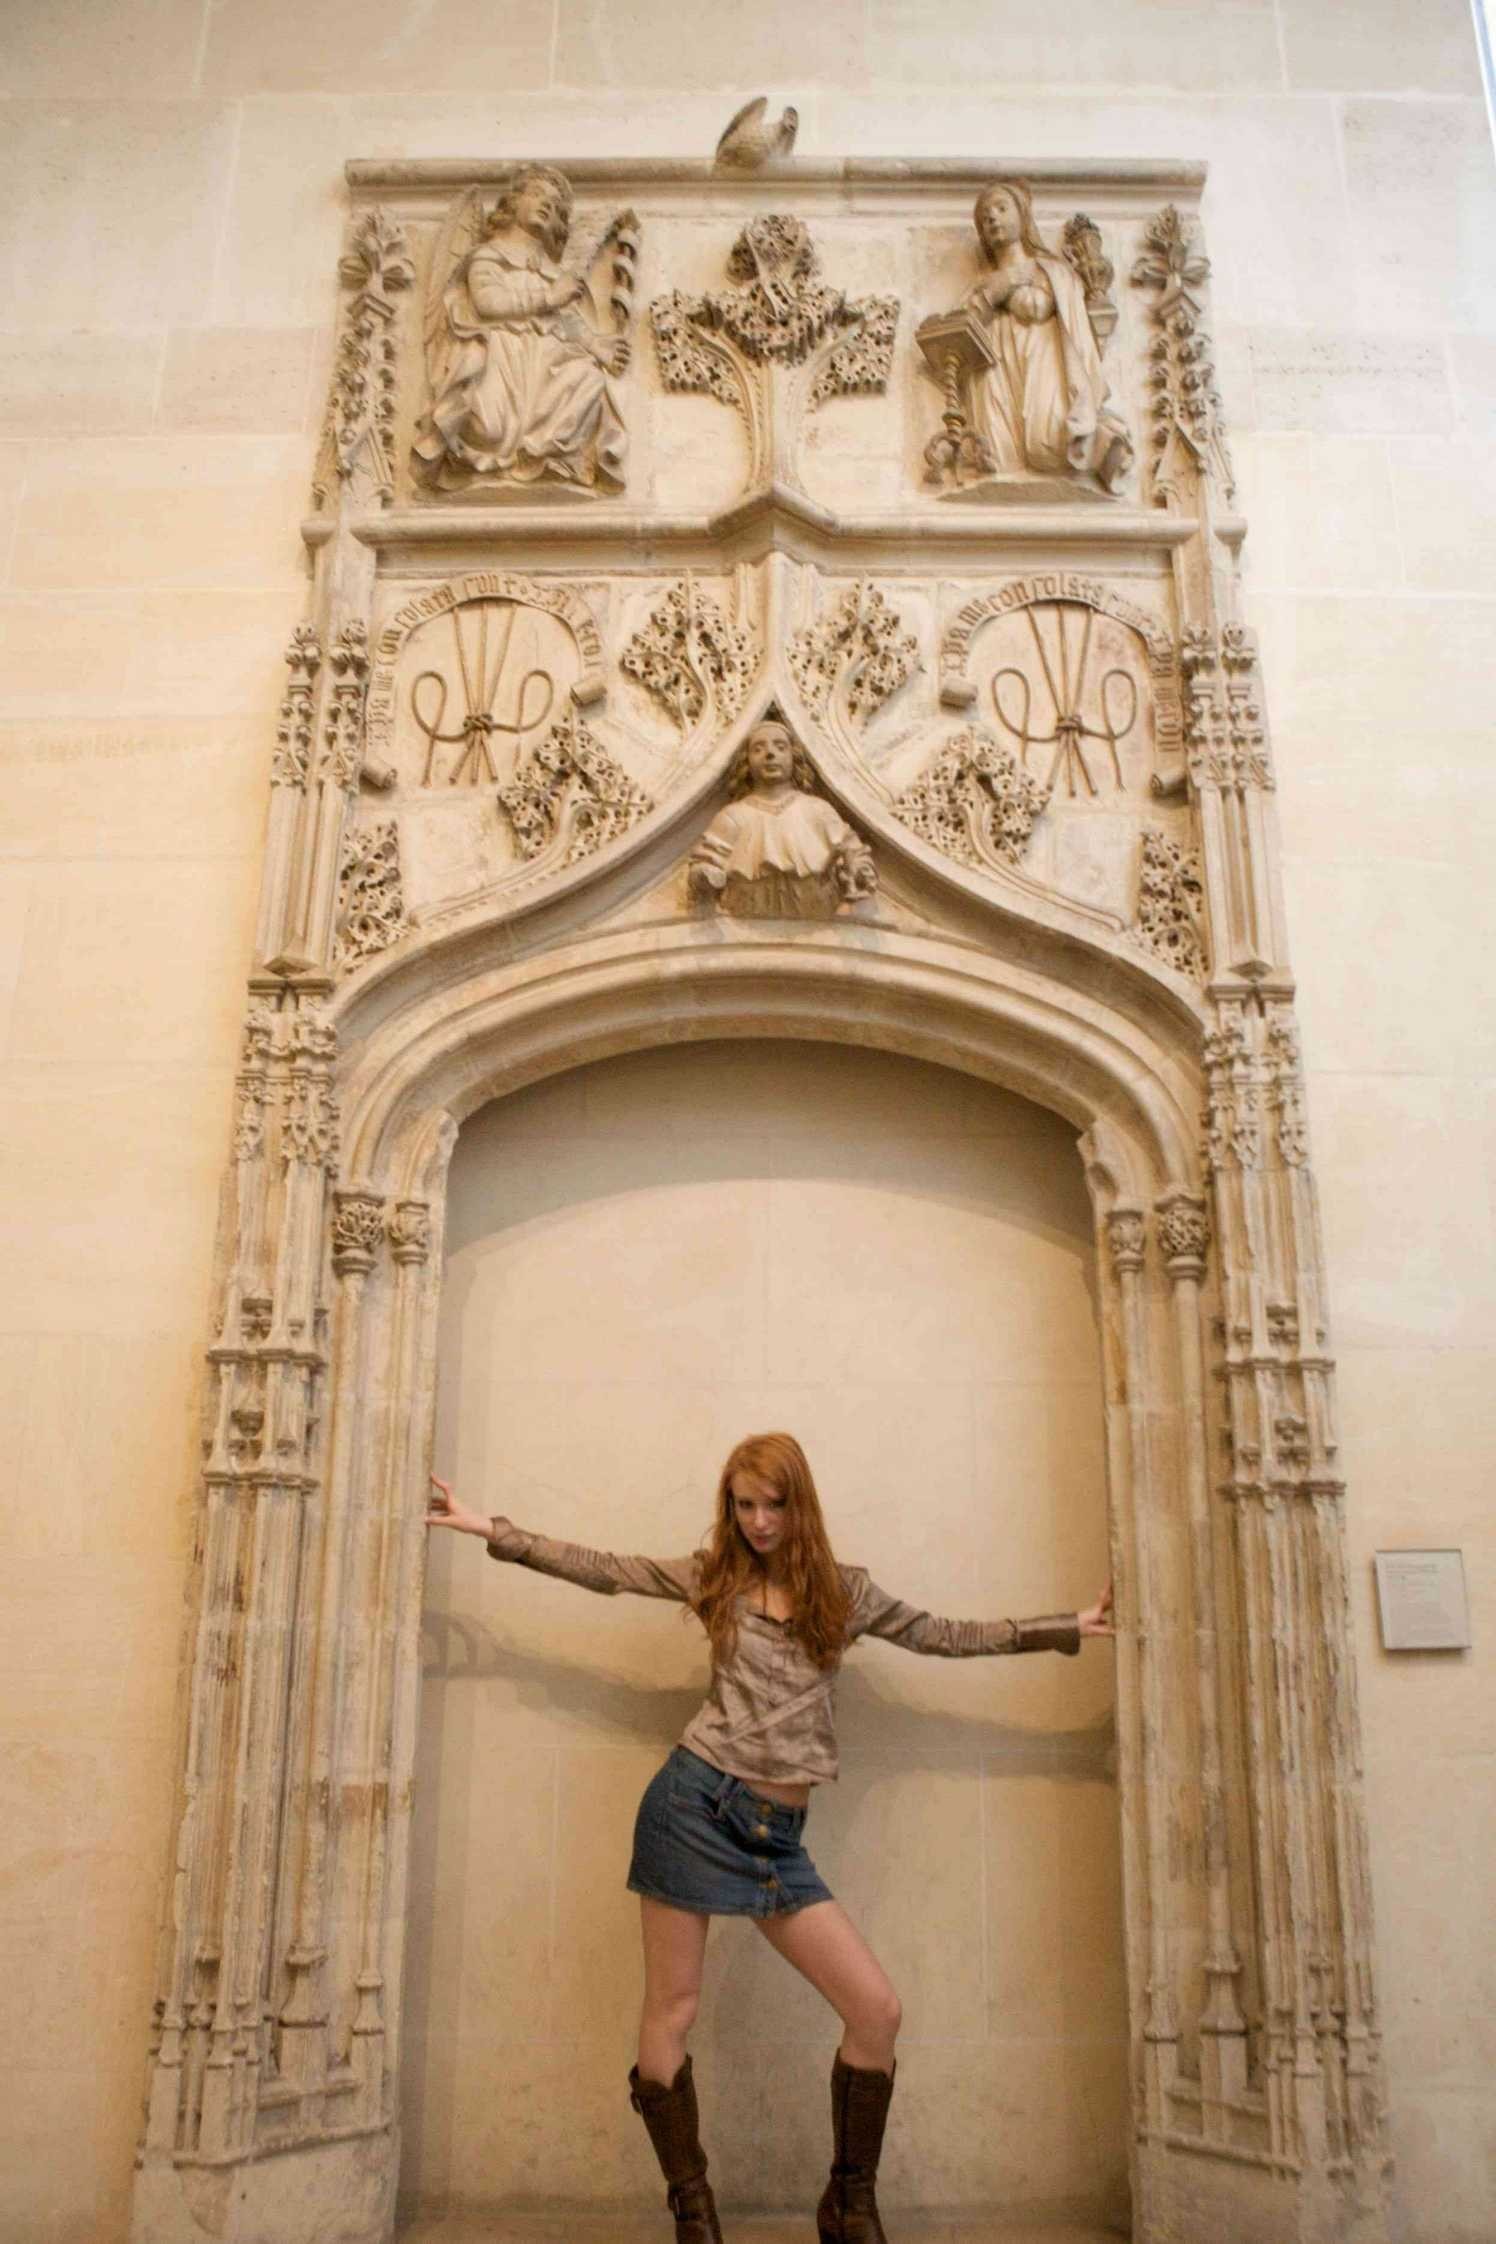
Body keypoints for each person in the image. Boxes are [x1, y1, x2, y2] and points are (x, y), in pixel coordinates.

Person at [427, 1432, 1113, 2242]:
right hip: (693, 1809)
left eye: (773, 1505)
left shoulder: (845, 1594)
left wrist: (1066, 1624)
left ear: (800, 1504)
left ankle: (848, 2205)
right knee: (671, 2011)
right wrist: (486, 1528)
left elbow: (943, 1634)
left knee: (876, 2011)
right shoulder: (715, 1579)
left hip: (775, 1840)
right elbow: (604, 1569)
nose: (758, 1521)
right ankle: (694, 2212)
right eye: (744, 1505)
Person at [413, 163, 629, 492]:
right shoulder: (489, 255)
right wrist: (547, 297)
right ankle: (494, 453)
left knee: (590, 379)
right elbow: (488, 304)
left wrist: (597, 345)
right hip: (501, 357)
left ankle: (543, 451)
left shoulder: (552, 272)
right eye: (538, 194)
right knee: (490, 428)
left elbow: (567, 320)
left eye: (556, 207)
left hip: (546, 362)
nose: (546, 205)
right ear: (514, 202)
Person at [961, 180, 1132, 494]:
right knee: (1000, 448)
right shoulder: (985, 284)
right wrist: (1002, 285)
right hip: (996, 369)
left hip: (1041, 358)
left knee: (1045, 441)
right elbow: (967, 323)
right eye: (985, 217)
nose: (992, 218)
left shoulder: (1051, 271)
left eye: (1001, 208)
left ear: (1023, 217)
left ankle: (1100, 444)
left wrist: (1003, 290)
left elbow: (1036, 307)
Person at [687, 719, 876, 919]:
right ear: (747, 762)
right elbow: (705, 861)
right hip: (747, 916)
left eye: (780, 747)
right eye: (758, 749)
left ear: (794, 757)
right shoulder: (733, 816)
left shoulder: (816, 810)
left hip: (817, 908)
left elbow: (851, 848)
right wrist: (705, 876)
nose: (770, 754)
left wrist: (859, 868)